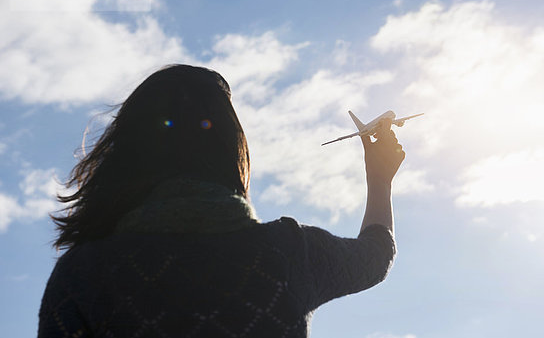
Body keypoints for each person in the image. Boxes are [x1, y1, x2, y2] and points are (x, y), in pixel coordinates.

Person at [38, 64, 405, 338]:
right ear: (232, 149)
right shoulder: (287, 253)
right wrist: (379, 179)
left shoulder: (83, 274)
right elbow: (375, 256)